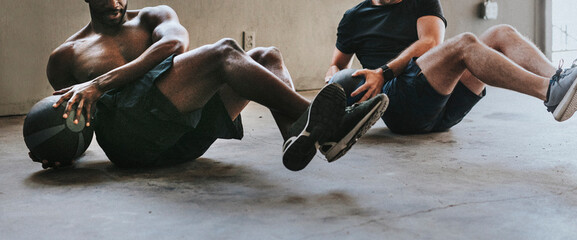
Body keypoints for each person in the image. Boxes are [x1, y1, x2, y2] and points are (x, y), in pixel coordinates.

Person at [31, 0, 388, 171]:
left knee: (267, 55)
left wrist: (98, 83)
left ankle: (299, 136)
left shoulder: (154, 16)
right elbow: (70, 115)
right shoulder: (66, 56)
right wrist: (57, 149)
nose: (114, 2)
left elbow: (174, 46)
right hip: (133, 144)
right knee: (224, 53)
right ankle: (326, 123)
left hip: (185, 139)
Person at [325, 0, 577, 134]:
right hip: (398, 105)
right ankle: (550, 92)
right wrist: (333, 81)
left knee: (501, 33)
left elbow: (430, 42)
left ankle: (557, 80)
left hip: (443, 105)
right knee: (465, 43)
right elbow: (338, 63)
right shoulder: (354, 18)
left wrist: (384, 70)